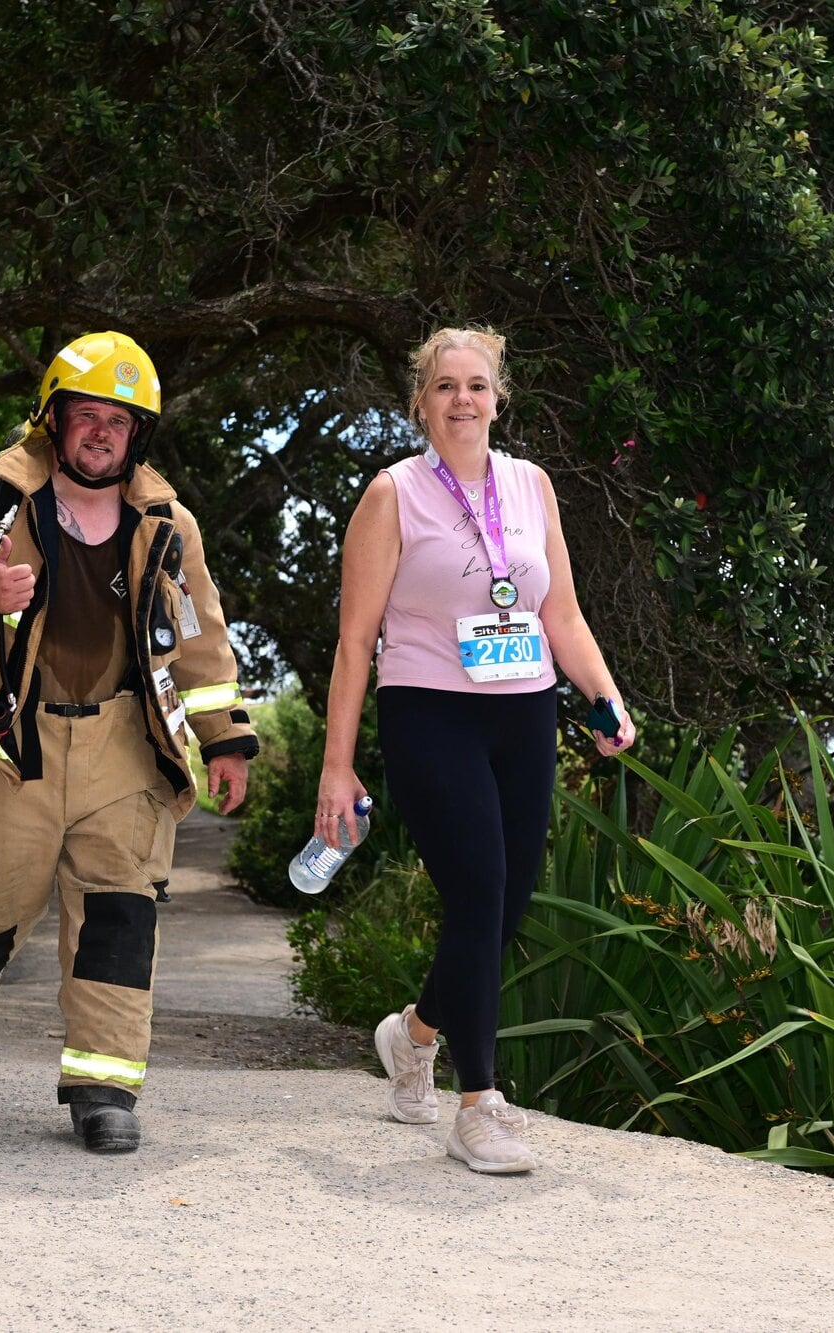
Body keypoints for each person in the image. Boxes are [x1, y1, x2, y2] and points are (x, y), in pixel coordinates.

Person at [0, 330, 258, 1153]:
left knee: (120, 914)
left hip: (125, 745)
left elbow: (200, 639)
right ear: (52, 421)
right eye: (85, 416)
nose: (100, 433)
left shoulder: (168, 524)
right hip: (10, 744)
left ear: (139, 436)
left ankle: (104, 1088)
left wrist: (223, 738)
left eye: (118, 423)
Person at [314, 326, 636, 1174]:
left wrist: (603, 695)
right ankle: (478, 1103)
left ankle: (414, 1035)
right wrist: (336, 766)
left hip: (524, 709)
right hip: (429, 711)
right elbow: (354, 642)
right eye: (446, 385)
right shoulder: (393, 494)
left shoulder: (531, 486)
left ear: (499, 398)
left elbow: (558, 612)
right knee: (480, 886)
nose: (464, 399)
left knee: (504, 905)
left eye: (479, 385)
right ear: (420, 401)